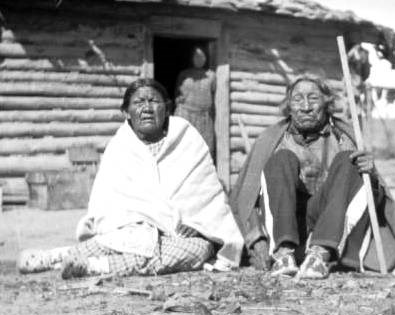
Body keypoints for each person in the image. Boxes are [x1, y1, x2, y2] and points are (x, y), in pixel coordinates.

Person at [18, 78, 243, 279]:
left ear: (167, 108)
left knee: (197, 251)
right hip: (130, 232)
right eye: (138, 103)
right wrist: (137, 223)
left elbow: (206, 194)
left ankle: (94, 267)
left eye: (154, 101)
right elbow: (107, 203)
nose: (146, 108)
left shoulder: (188, 138)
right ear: (126, 112)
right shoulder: (120, 146)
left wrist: (195, 223)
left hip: (180, 237)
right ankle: (57, 257)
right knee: (115, 242)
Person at [230, 76, 395, 279]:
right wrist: (255, 239)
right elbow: (246, 198)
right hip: (287, 226)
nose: (305, 107)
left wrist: (369, 174)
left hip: (331, 229)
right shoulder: (272, 139)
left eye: (313, 99)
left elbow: (372, 196)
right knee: (280, 160)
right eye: (297, 100)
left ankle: (320, 255)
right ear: (289, 106)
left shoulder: (344, 137)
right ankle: (283, 255)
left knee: (349, 160)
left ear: (327, 103)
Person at [174, 46, 216, 155]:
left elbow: (215, 94)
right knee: (183, 148)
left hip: (204, 117)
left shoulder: (211, 76)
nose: (199, 59)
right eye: (196, 56)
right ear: (191, 57)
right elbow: (177, 95)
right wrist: (179, 99)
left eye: (202, 56)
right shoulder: (184, 74)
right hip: (185, 114)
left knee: (204, 149)